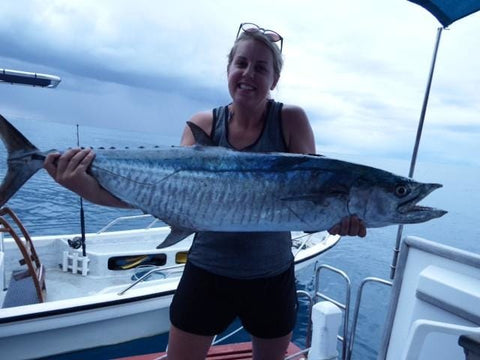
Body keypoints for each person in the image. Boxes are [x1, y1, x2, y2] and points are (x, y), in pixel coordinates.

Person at [44, 22, 366, 360]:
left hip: (271, 276)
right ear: (228, 69)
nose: (248, 74)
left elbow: (308, 209)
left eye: (261, 67)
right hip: (207, 272)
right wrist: (80, 185)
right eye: (241, 63)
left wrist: (336, 219)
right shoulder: (203, 125)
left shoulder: (291, 120)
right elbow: (159, 198)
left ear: (274, 80)